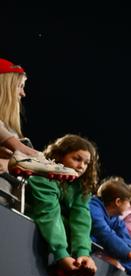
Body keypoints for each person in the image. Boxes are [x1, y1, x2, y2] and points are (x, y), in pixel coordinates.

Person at [27, 134, 100, 276]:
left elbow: (81, 220)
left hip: (57, 230)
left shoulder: (80, 187)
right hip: (36, 221)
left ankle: (75, 264)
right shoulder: (43, 175)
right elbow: (49, 213)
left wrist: (83, 253)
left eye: (86, 163)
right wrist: (61, 254)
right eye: (77, 159)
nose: (82, 166)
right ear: (59, 155)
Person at [1, 58, 76, 201]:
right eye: (20, 86)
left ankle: (30, 155)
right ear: (5, 86)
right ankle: (32, 155)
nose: (23, 93)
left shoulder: (10, 127)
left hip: (9, 198)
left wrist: (8, 162)